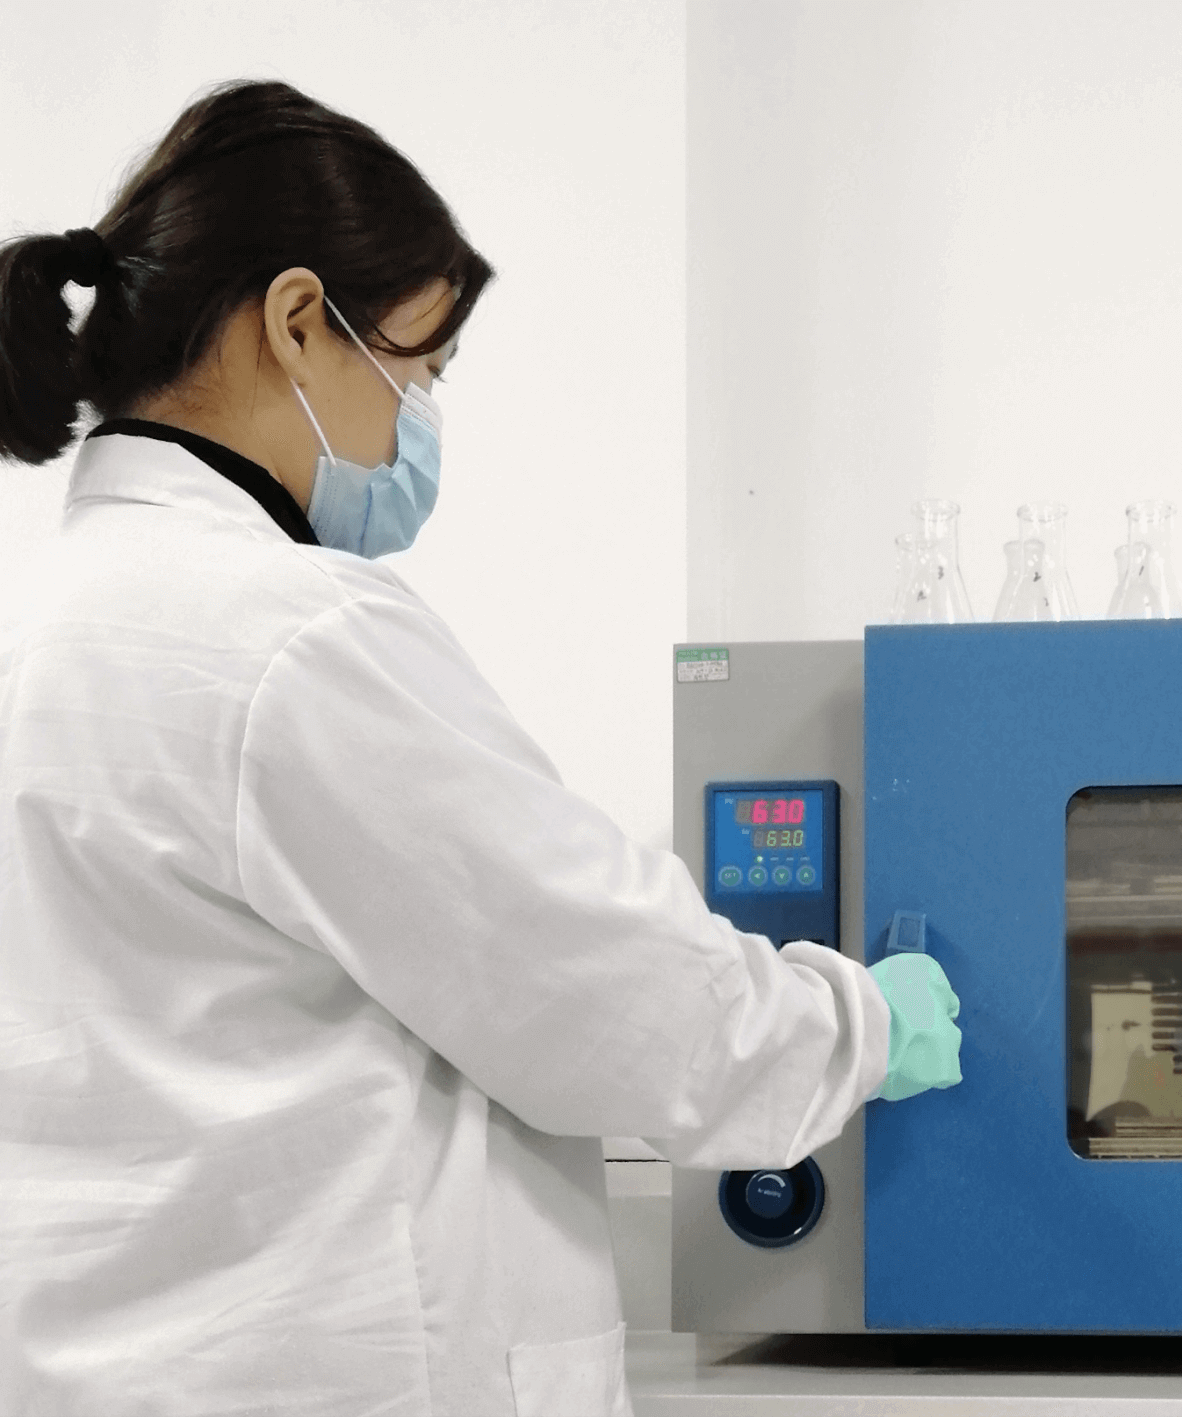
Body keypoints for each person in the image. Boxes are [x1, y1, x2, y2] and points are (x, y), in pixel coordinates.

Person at [0, 80, 962, 1417]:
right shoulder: (290, 638)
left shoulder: (47, 622)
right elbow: (609, 1000)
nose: (415, 420)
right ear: (297, 322)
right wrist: (860, 1027)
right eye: (419, 368)